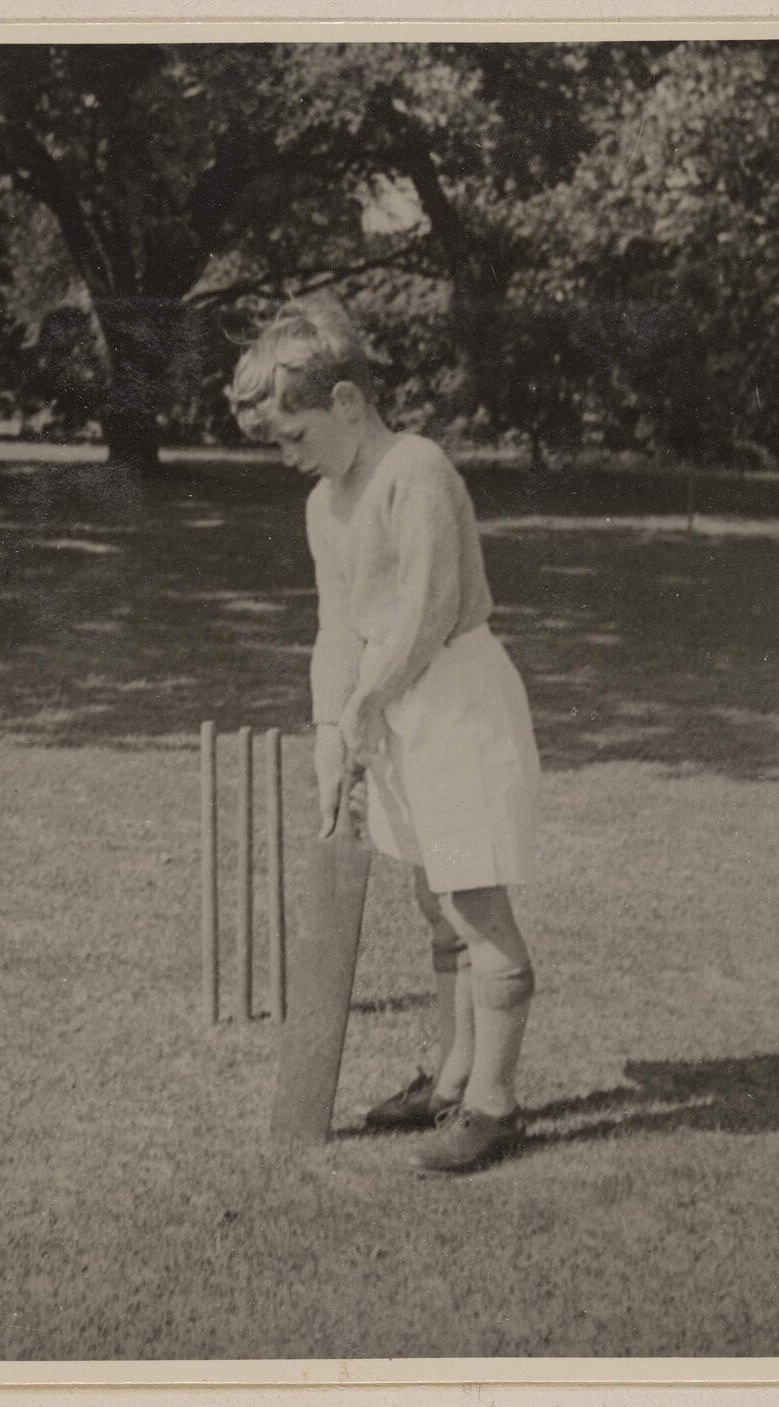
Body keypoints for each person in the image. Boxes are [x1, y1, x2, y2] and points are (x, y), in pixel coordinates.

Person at [227, 296, 541, 1173]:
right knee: (432, 902)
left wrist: (368, 703)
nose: (288, 458)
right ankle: (450, 1077)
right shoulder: (325, 506)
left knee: (475, 905)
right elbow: (338, 629)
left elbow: (428, 609)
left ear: (349, 404)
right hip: (391, 703)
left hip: (456, 700)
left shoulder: (417, 468)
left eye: (294, 436)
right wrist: (332, 724)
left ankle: (495, 1104)